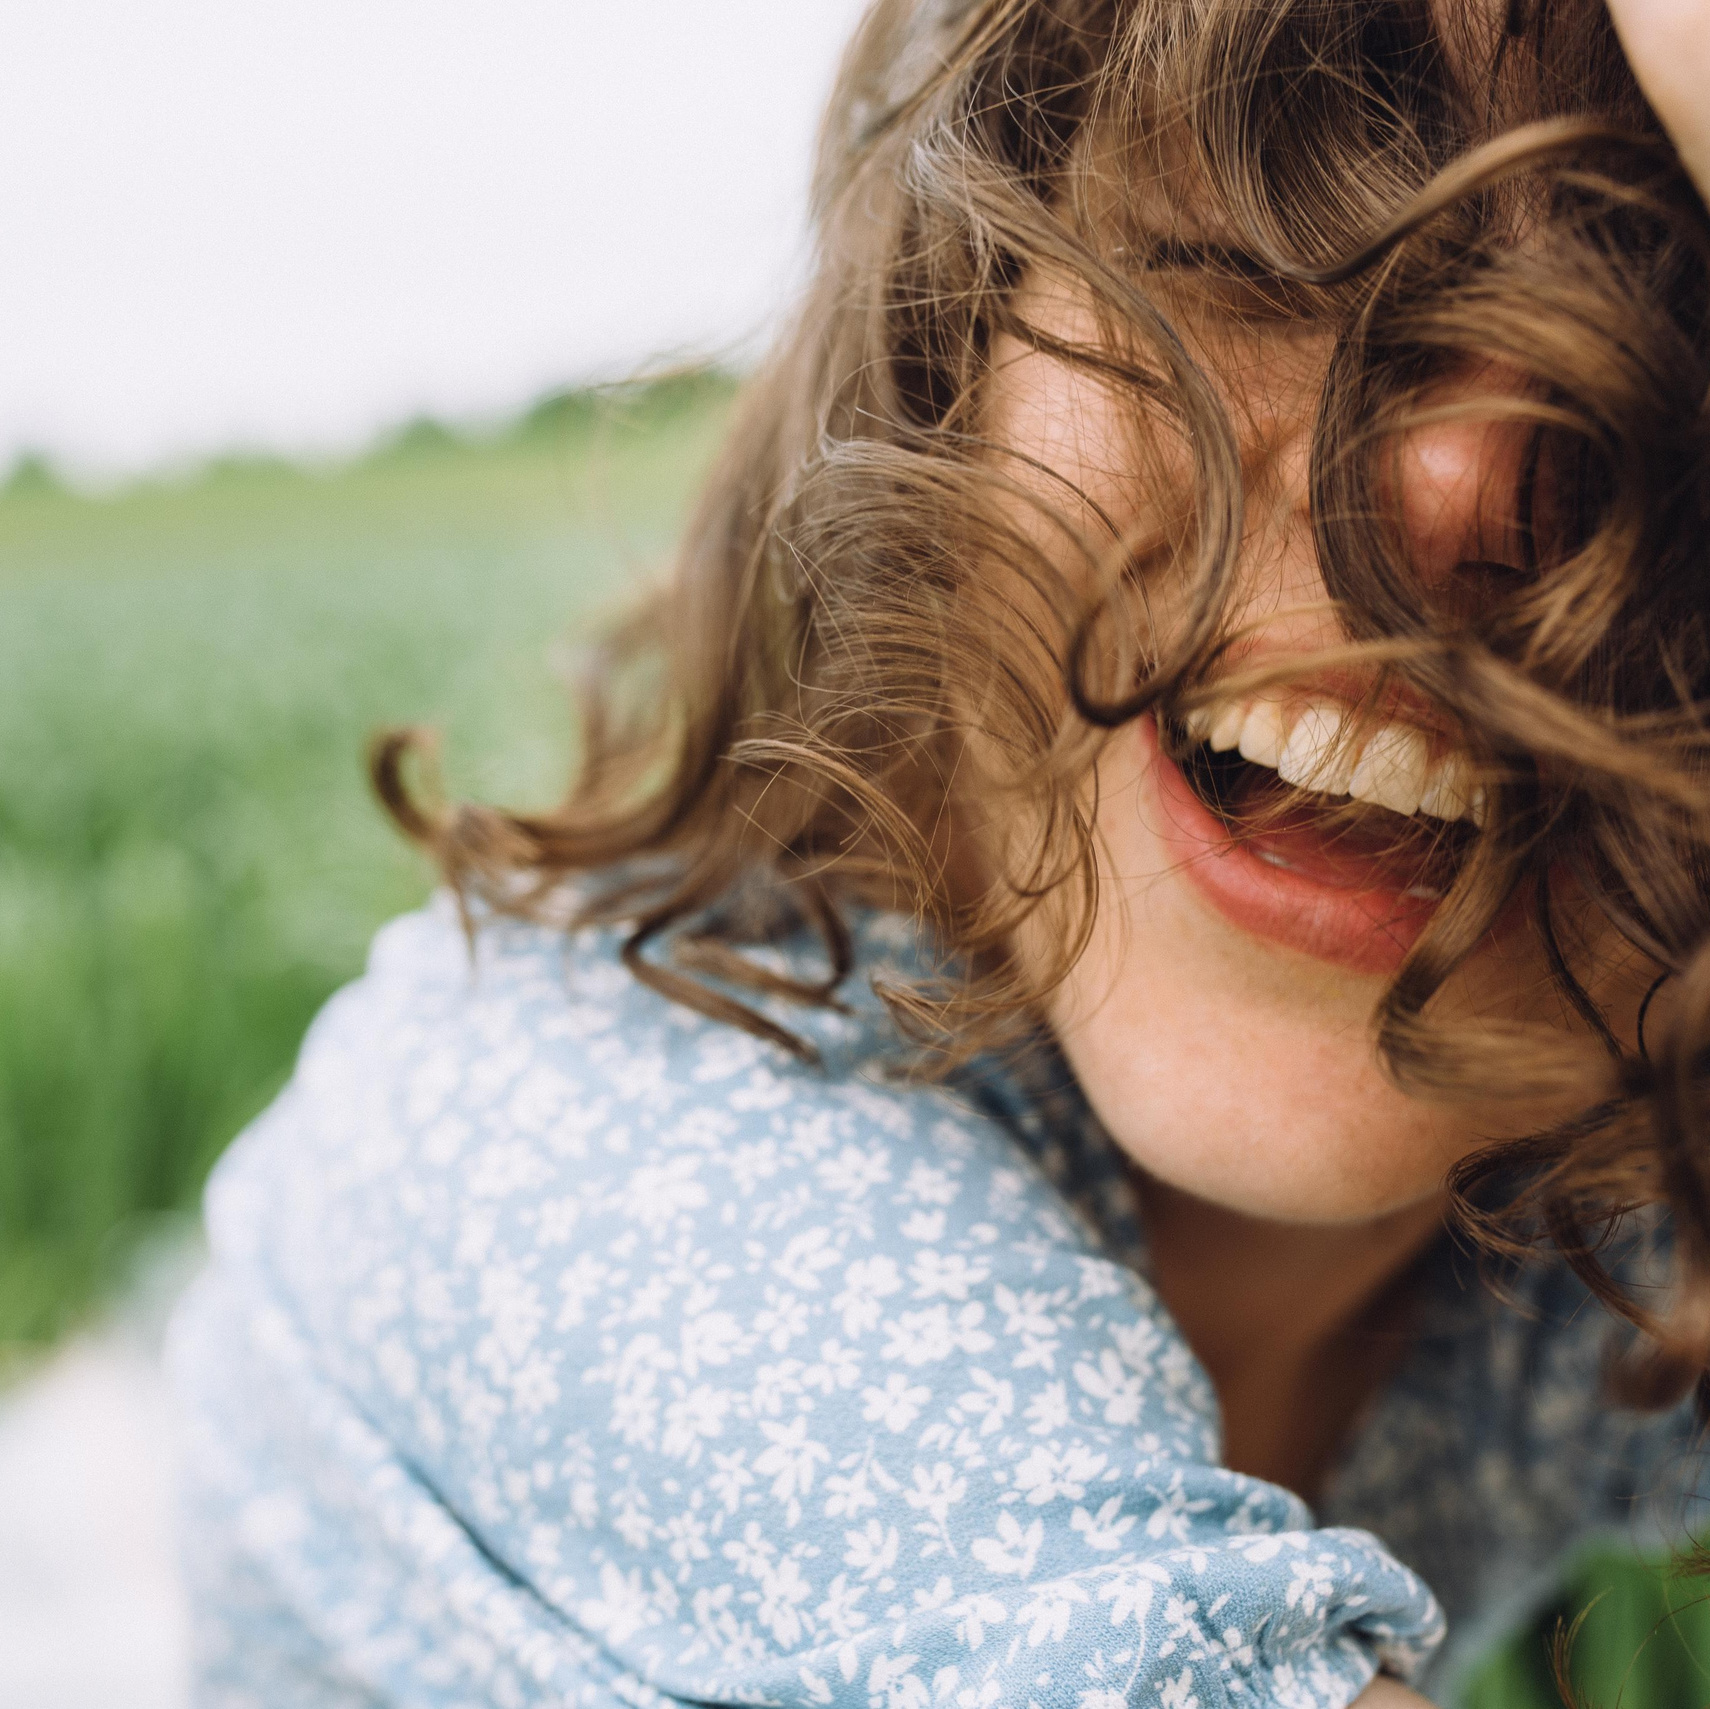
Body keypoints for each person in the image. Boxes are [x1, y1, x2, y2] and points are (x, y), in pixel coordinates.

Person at [167, 1, 1710, 1704]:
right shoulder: (610, 1147)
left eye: (1683, 326)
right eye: (1270, 233)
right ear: (950, 356)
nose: (1453, 487)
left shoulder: (1589, 1176)